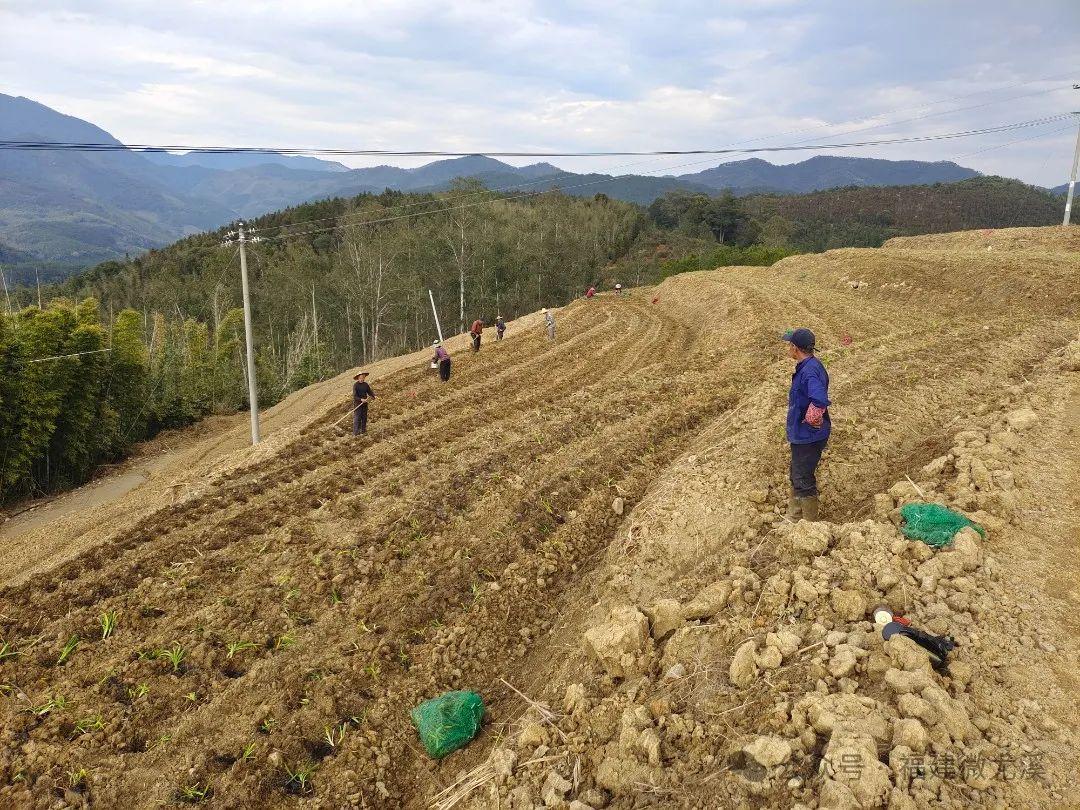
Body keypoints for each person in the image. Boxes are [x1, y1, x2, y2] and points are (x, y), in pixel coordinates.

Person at [783, 328, 830, 520]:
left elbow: (819, 399)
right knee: (797, 474)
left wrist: (811, 418)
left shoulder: (809, 372)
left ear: (795, 348)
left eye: (789, 345)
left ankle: (810, 527)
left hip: (808, 436)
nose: (788, 348)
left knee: (803, 478)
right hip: (803, 434)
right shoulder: (810, 365)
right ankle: (793, 519)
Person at [351, 371, 375, 436]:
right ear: (358, 378)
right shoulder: (355, 385)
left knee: (364, 417)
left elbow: (369, 392)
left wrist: (373, 396)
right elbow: (354, 396)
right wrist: (361, 399)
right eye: (360, 378)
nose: (362, 379)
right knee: (357, 417)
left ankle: (363, 430)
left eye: (363, 377)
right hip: (358, 404)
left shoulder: (366, 385)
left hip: (365, 403)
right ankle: (356, 432)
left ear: (364, 378)